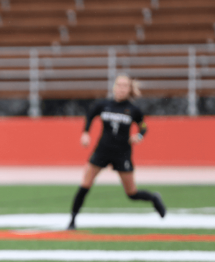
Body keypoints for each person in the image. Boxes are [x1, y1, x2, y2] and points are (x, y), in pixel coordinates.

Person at [67, 74, 166, 230]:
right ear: (114, 87)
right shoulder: (104, 105)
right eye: (119, 85)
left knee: (131, 193)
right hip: (102, 151)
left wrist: (139, 136)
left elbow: (144, 127)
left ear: (129, 89)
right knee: (85, 184)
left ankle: (154, 198)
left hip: (122, 153)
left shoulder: (133, 109)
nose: (121, 89)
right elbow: (90, 115)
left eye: (125, 86)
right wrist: (85, 132)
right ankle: (72, 220)